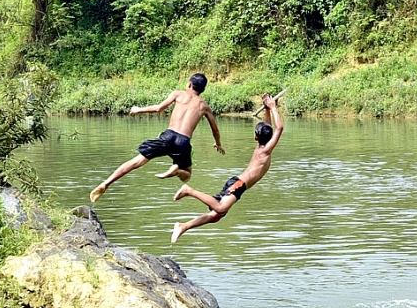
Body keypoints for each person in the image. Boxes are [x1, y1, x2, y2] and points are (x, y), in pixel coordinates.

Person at [89, 73, 225, 203]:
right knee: (187, 175)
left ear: (189, 84)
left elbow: (159, 108)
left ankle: (106, 183)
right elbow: (215, 129)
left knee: (136, 161)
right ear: (203, 90)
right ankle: (177, 170)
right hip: (183, 141)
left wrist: (138, 109)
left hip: (168, 135)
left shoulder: (178, 94)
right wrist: (218, 143)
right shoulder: (204, 106)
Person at [170, 92, 283, 243]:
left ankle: (183, 226)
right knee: (220, 209)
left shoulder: (264, 147)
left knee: (215, 216)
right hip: (238, 184)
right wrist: (273, 107)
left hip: (238, 184)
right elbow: (279, 128)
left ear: (256, 137)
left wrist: (267, 109)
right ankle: (189, 190)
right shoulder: (265, 150)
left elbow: (269, 127)